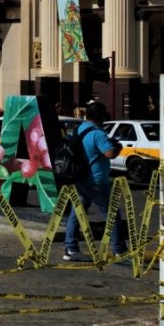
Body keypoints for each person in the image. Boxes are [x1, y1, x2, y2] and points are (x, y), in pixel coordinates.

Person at [63, 101, 128, 263]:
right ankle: (120, 251)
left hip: (80, 178)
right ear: (101, 117)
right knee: (113, 215)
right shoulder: (98, 134)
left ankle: (71, 249)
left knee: (76, 214)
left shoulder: (79, 129)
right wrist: (117, 146)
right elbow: (109, 154)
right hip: (97, 180)